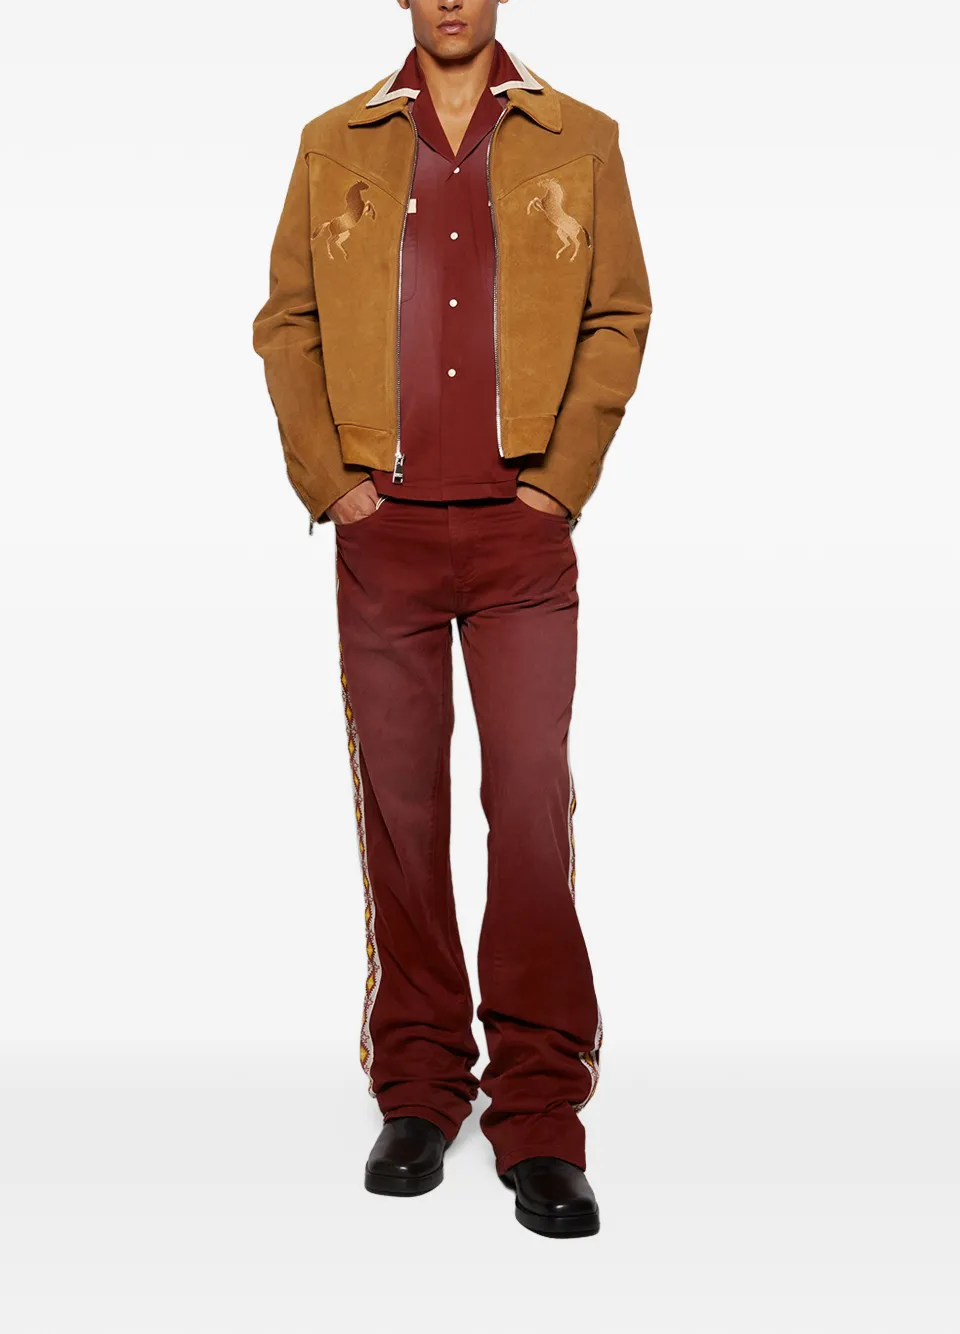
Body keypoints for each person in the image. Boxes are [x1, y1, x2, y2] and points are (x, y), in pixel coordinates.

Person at [252, 0, 651, 1238]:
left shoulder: (579, 136)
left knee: (527, 800)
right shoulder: (336, 141)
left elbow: (619, 313)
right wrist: (332, 482)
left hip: (521, 538)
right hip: (386, 538)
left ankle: (539, 1107)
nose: (449, 0)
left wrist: (558, 482)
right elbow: (287, 321)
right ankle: (420, 1085)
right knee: (402, 807)